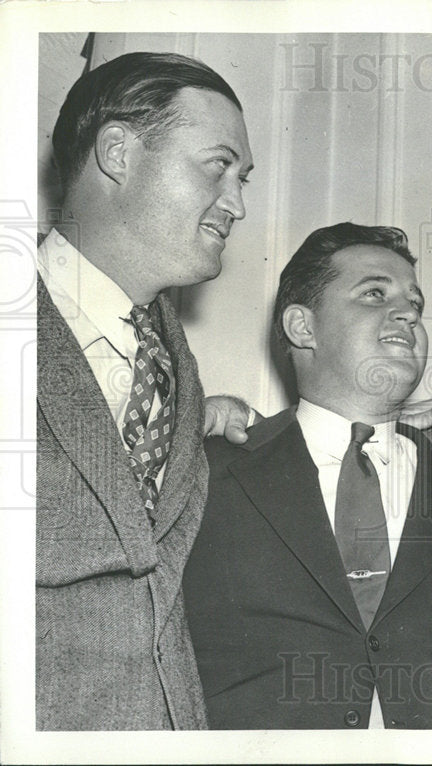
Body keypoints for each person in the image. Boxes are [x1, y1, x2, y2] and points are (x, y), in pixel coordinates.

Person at [182, 223, 432, 729]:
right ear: (303, 328)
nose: (408, 312)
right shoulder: (207, 469)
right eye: (374, 294)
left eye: (414, 301)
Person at [36, 51, 253, 730]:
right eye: (218, 167)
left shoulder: (175, 370)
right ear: (118, 153)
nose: (238, 204)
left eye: (243, 180)